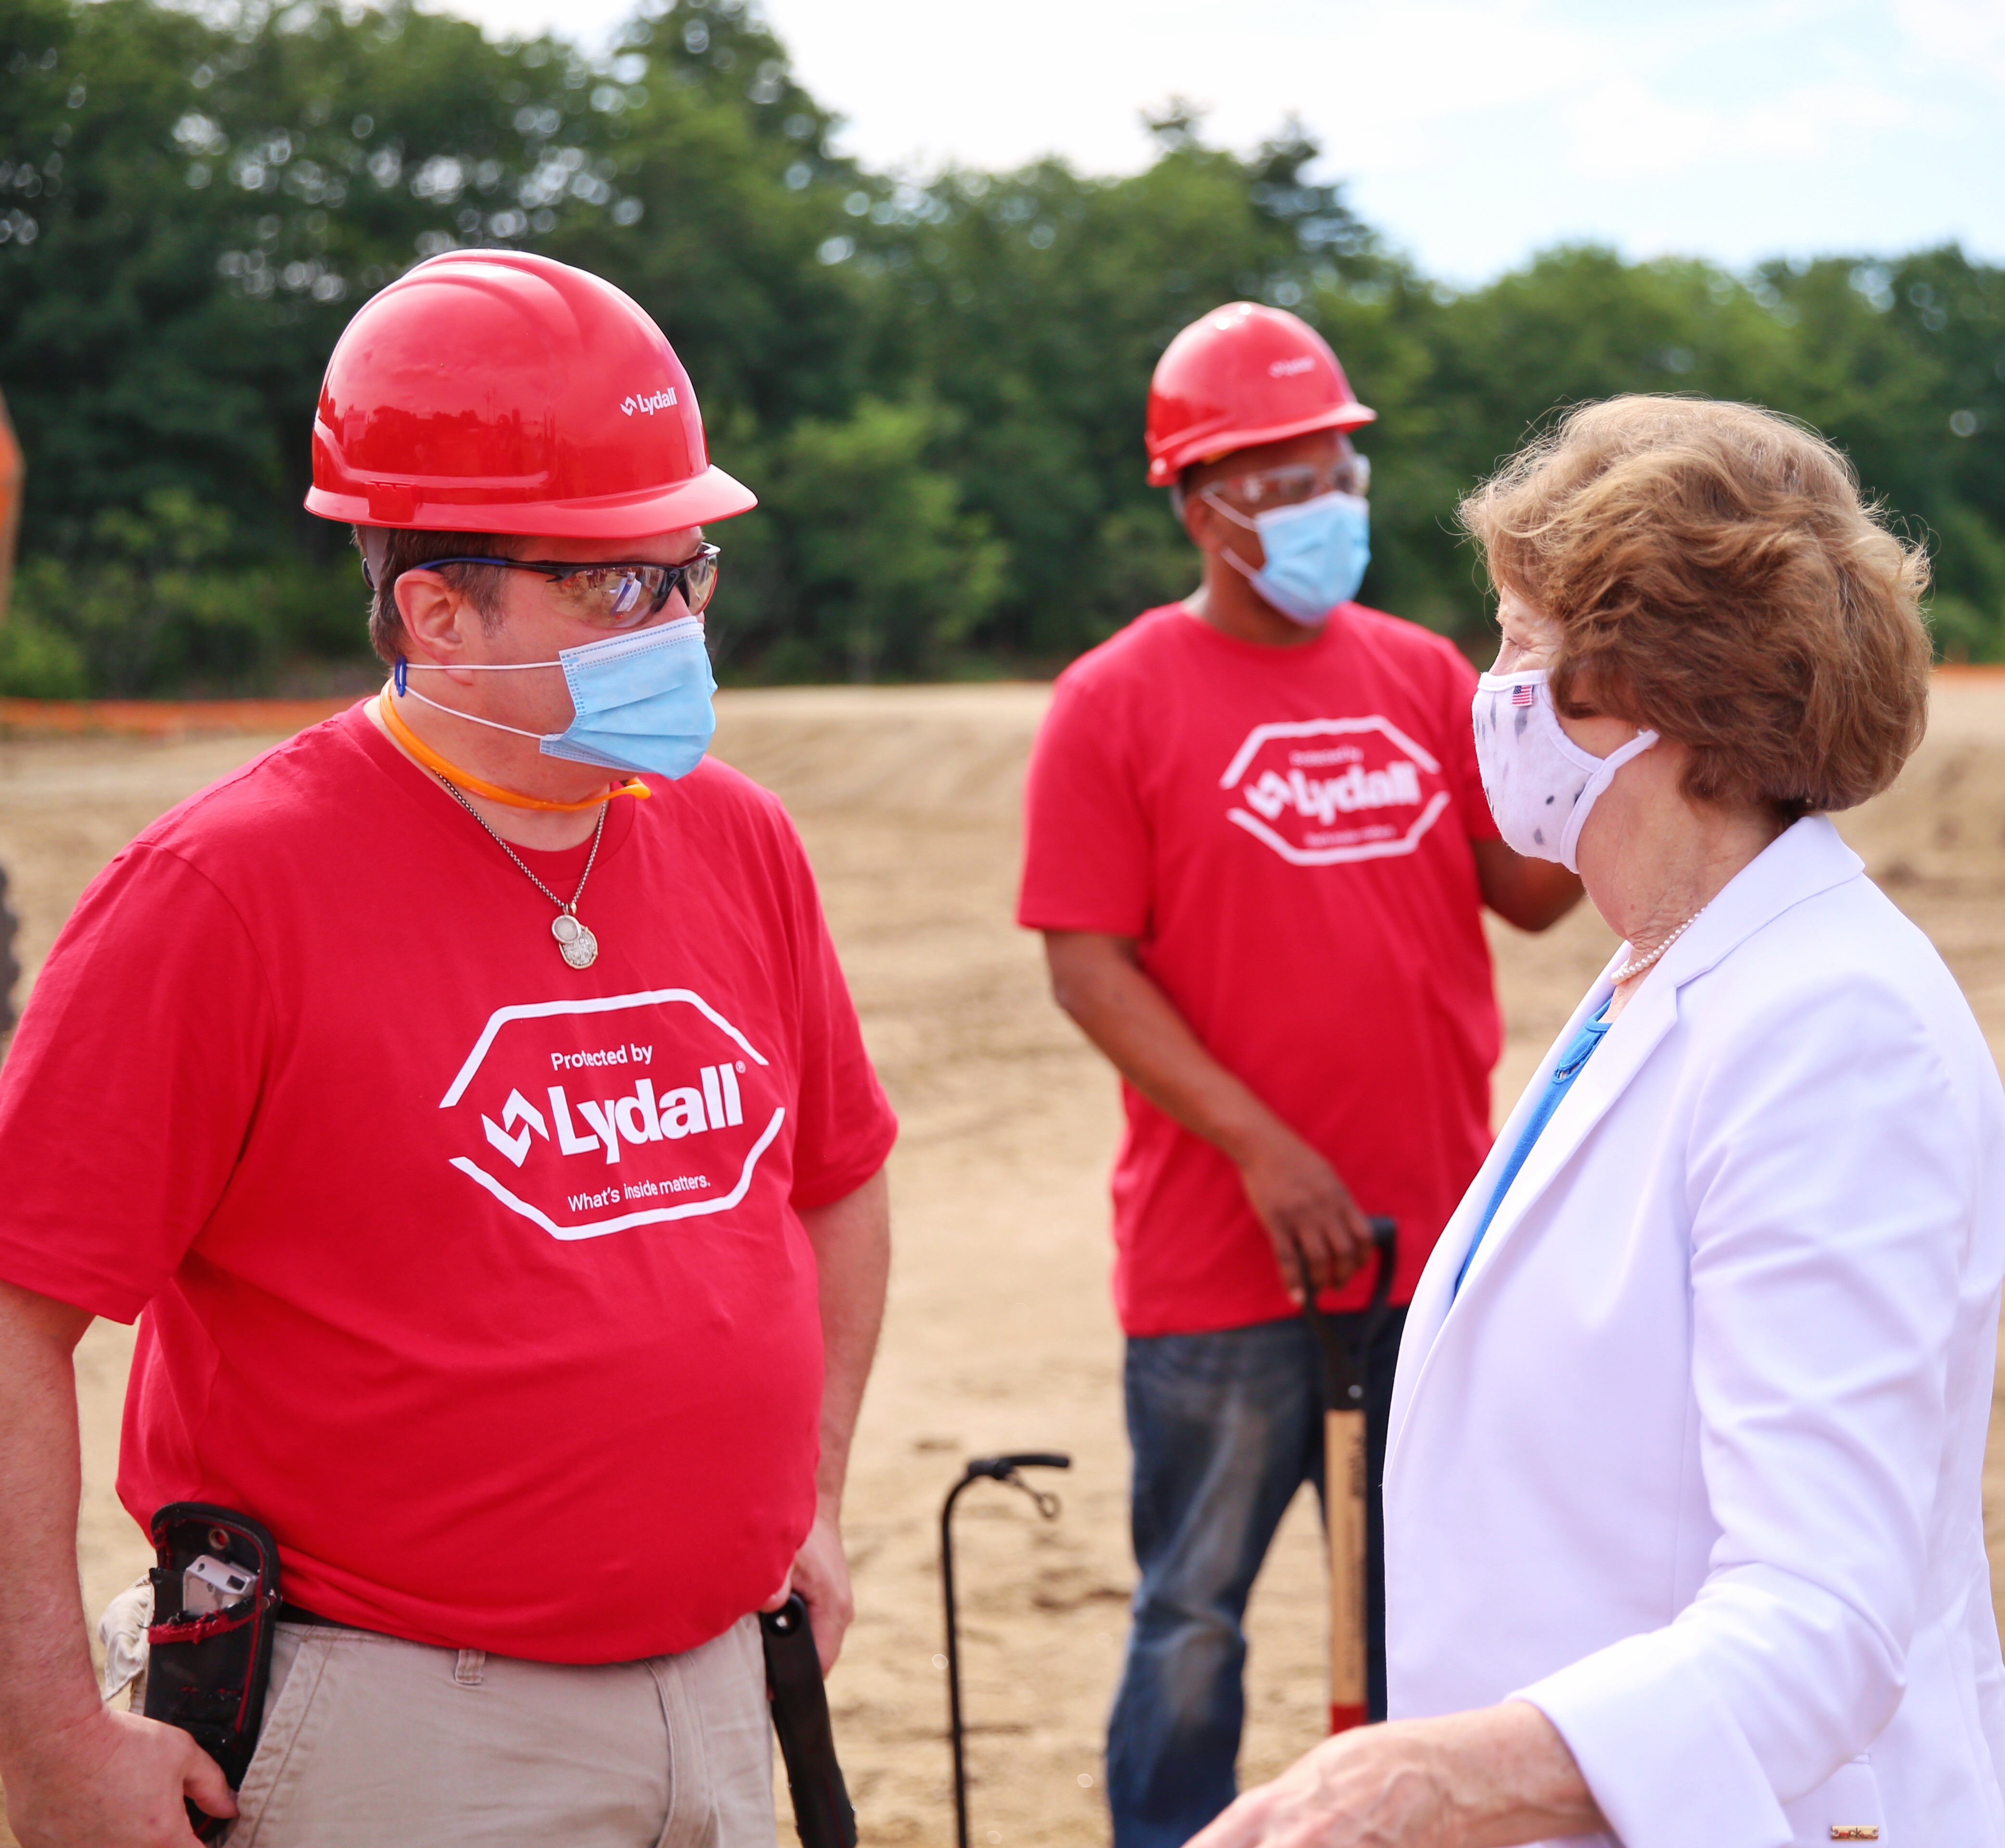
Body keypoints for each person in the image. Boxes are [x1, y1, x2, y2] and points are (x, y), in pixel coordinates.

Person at [0, 250, 898, 1848]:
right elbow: (15, 1314)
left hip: (720, 1694)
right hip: (394, 1729)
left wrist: (811, 1501)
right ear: (436, 608)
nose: (678, 623)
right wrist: (53, 1737)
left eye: (689, 572)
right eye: (615, 584)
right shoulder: (223, 893)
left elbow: (837, 1181)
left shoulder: (736, 840)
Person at [1191, 395, 2005, 1848]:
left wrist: (1436, 1777)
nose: (1489, 684)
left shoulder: (1834, 1032)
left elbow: (1826, 1619)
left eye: (1518, 643)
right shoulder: (1664, 955)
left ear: (1641, 693)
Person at [1016, 301, 1582, 1847]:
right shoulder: (1115, 700)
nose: (1326, 499)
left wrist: (1636, 738)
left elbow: (1529, 891)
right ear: (1199, 506)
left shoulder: (1414, 672)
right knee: (1194, 1616)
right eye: (1279, 477)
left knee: (1428, 1622)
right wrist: (1265, 1150)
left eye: (1336, 463)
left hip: (1432, 1243)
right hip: (1221, 1270)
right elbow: (1086, 963)